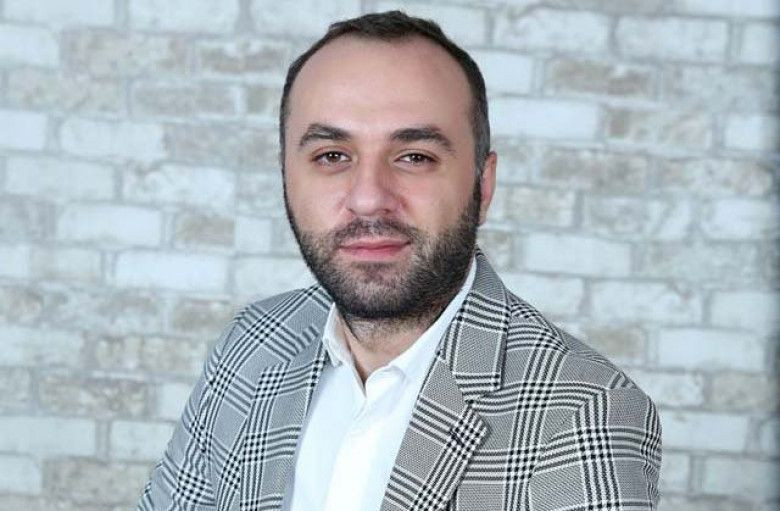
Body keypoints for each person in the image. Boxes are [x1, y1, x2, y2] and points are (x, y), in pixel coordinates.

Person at [138, 10, 661, 511]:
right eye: (331, 156)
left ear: (483, 185)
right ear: (285, 176)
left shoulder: (585, 415)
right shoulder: (251, 342)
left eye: (415, 157)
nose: (369, 199)